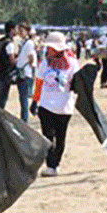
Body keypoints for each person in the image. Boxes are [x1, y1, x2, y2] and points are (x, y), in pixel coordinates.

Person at [30, 31, 80, 177]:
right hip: (46, 105)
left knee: (60, 137)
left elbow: (78, 83)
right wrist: (35, 101)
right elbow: (39, 82)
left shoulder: (72, 63)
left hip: (65, 107)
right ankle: (50, 166)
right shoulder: (45, 63)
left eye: (51, 48)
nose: (48, 51)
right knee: (47, 137)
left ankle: (55, 164)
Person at [0, 21, 17, 109]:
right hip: (4, 74)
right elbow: (11, 60)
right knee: (2, 99)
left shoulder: (1, 40)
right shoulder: (9, 43)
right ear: (11, 30)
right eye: (16, 29)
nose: (17, 31)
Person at [16, 22, 37, 122]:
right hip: (24, 72)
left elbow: (31, 58)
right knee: (22, 98)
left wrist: (29, 67)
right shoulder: (24, 42)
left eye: (22, 31)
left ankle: (24, 119)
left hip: (25, 73)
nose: (20, 33)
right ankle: (24, 118)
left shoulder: (28, 43)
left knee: (23, 98)